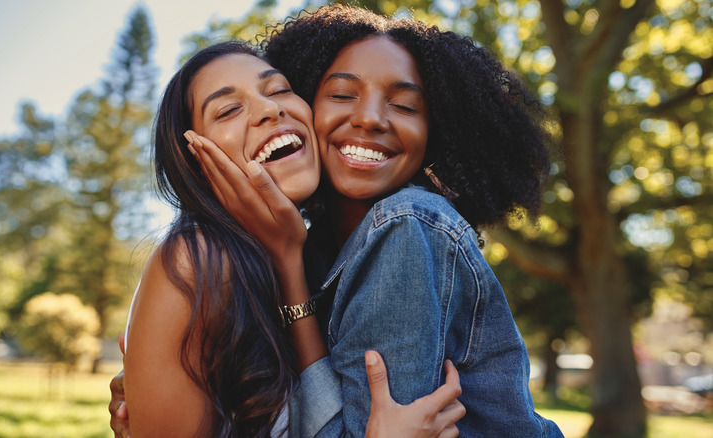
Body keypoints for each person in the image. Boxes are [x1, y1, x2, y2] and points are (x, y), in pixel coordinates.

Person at [186, 5, 565, 437]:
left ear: (434, 133)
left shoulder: (405, 227)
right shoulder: (310, 248)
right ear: (305, 107)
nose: (369, 118)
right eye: (343, 95)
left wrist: (287, 265)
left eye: (404, 105)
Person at [119, 40, 465, 437]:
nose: (270, 109)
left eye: (280, 89)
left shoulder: (318, 254)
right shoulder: (196, 260)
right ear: (195, 162)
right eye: (229, 110)